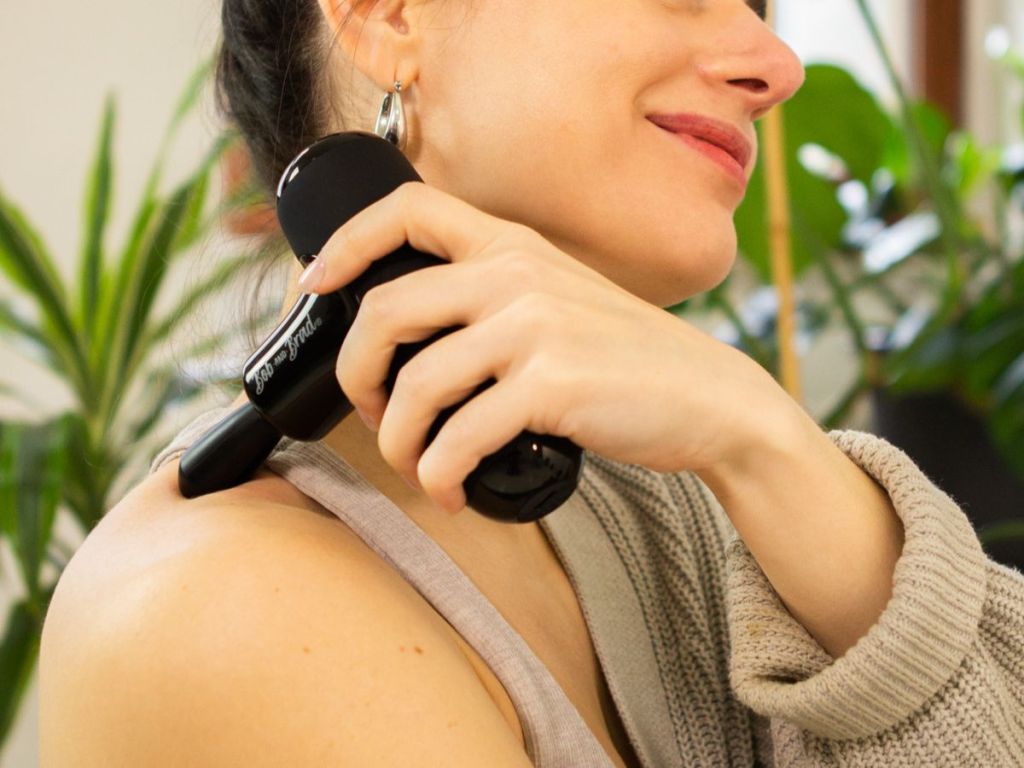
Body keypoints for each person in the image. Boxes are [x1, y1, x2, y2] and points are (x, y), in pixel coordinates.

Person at [39, 1, 1024, 766]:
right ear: (389, 13)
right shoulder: (222, 606)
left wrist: (769, 445)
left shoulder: (677, 503)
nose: (775, 64)